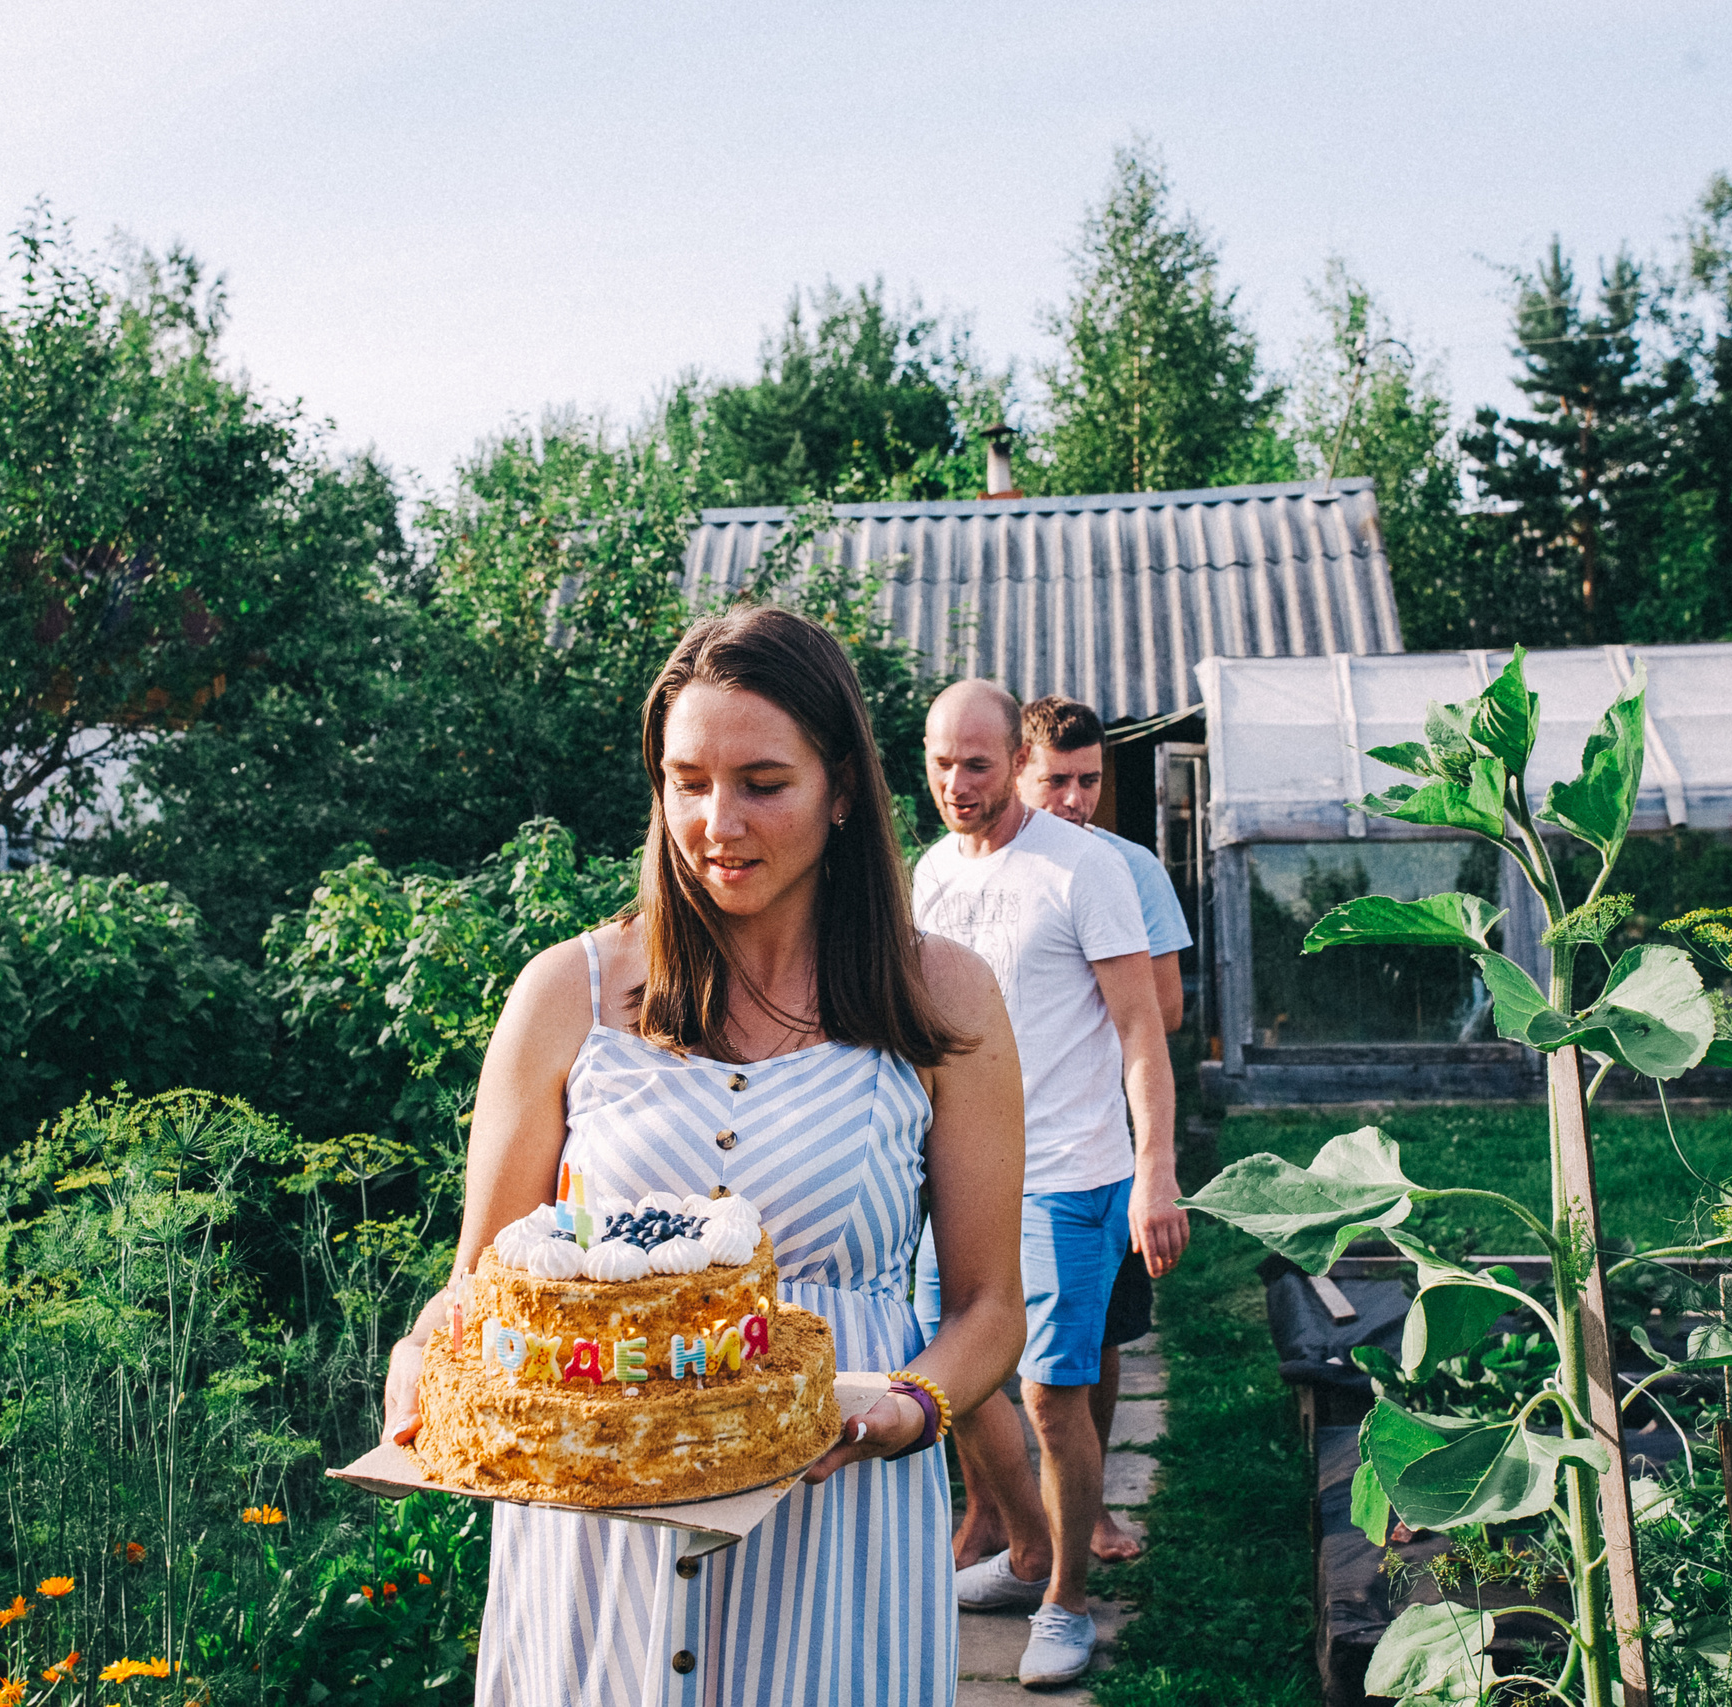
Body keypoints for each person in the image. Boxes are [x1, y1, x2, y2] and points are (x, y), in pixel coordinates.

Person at [381, 605, 1025, 1707]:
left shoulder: (940, 995)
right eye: (686, 781)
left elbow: (988, 1306)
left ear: (840, 788)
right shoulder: (566, 994)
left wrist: (911, 1406)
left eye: (761, 783)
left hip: (834, 1519)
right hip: (594, 1532)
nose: (715, 822)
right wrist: (423, 1358)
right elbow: (482, 1283)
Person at [909, 678, 1185, 1689]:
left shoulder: (1083, 869)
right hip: (953, 1180)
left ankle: (1066, 1600)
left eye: (975, 765)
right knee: (955, 1377)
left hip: (1070, 1173)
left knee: (1051, 1394)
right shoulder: (929, 875)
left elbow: (1140, 1032)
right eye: (940, 764)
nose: (955, 784)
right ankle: (1027, 1550)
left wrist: (1153, 1174)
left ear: (1008, 762)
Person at [1016, 693, 1193, 1564]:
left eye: (1088, 781)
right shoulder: (983, 871)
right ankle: (1003, 1518)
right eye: (1057, 781)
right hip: (1009, 1128)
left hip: (1099, 1133)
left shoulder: (1128, 869)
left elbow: (1163, 1008)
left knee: (1102, 1330)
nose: (1075, 800)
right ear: (1021, 773)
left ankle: (1092, 1510)